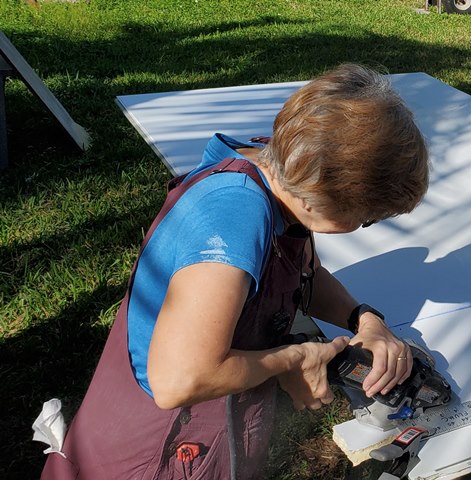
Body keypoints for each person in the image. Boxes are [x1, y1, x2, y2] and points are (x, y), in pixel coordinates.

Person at [41, 63, 429, 480]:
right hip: (162, 452)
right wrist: (294, 358)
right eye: (365, 218)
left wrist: (364, 319)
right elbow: (180, 380)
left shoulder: (280, 170)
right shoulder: (235, 218)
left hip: (203, 430)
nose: (362, 225)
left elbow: (305, 272)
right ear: (317, 195)